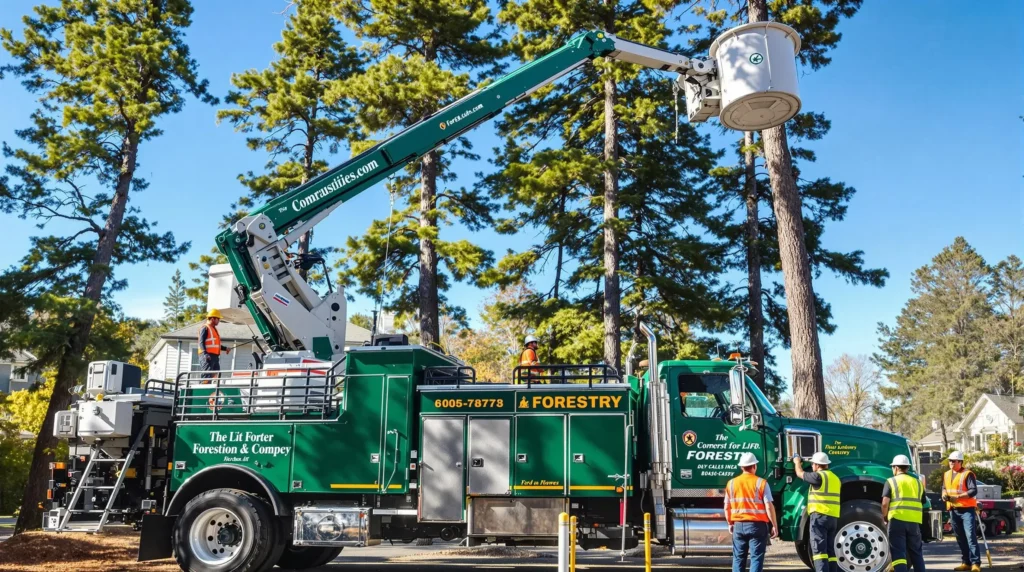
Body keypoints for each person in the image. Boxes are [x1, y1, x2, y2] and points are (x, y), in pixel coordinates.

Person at [725, 452, 779, 572]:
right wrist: (774, 525)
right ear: (754, 466)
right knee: (756, 558)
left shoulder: (731, 483)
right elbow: (769, 506)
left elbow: (726, 506)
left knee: (738, 558)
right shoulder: (762, 483)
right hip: (757, 526)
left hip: (738, 525)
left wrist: (730, 522)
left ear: (741, 467)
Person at [793, 452, 840, 572]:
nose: (812, 466)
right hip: (833, 518)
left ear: (817, 465)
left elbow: (800, 473)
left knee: (819, 551)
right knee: (830, 551)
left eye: (813, 464)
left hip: (820, 517)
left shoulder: (818, 477)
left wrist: (797, 462)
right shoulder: (835, 478)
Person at [883, 455, 926, 572]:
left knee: (898, 553)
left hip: (897, 520)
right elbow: (923, 502)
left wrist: (885, 517)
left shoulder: (891, 481)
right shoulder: (918, 483)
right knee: (916, 553)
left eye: (892, 467)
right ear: (907, 468)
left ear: (896, 468)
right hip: (914, 523)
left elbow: (885, 503)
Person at [943, 451, 981, 572]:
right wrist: (944, 494)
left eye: (953, 461)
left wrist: (959, 497)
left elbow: (973, 491)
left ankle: (976, 563)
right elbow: (944, 488)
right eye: (950, 461)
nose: (951, 463)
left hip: (966, 510)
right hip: (953, 510)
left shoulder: (967, 474)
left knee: (970, 537)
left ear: (960, 462)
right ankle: (966, 562)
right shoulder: (946, 474)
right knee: (960, 538)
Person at [199, 309, 230, 381]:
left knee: (217, 375)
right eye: (218, 319)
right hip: (208, 356)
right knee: (207, 376)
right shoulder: (205, 328)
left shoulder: (213, 329)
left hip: (214, 357)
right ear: (212, 319)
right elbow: (201, 342)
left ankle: (214, 390)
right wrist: (205, 354)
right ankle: (204, 391)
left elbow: (215, 344)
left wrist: (225, 348)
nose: (219, 321)